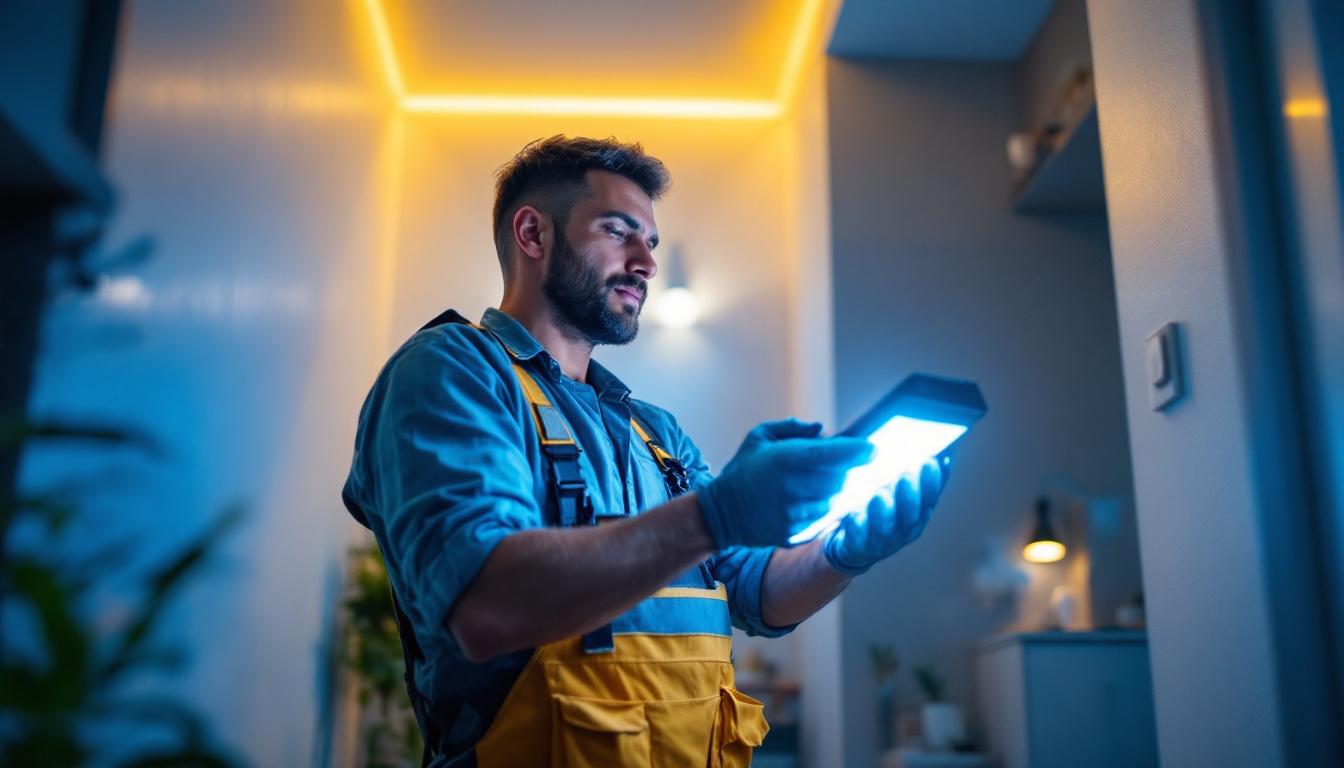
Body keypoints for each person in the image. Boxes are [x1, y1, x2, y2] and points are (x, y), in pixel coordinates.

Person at [342, 135, 950, 767]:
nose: (647, 262)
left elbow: (753, 590)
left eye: (651, 242)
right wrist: (716, 514)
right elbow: (486, 603)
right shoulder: (451, 372)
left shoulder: (656, 434)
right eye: (619, 231)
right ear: (533, 234)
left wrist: (845, 553)